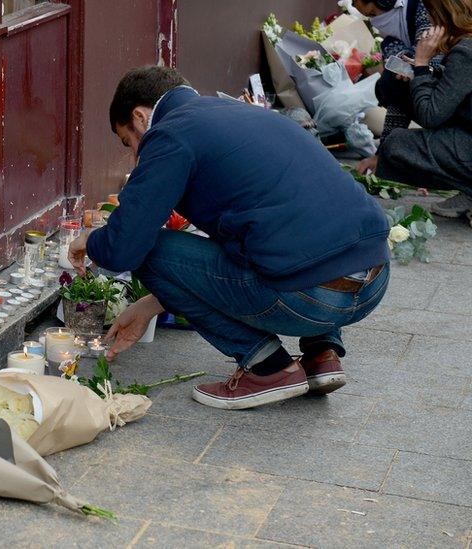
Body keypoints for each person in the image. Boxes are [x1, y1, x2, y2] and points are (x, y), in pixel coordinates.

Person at [68, 66, 390, 410]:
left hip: (310, 298)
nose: (135, 155)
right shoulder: (244, 114)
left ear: (140, 117)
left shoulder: (169, 134)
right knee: (298, 227)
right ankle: (321, 353)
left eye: (129, 141)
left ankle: (269, 368)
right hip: (373, 280)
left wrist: (93, 237)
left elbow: (123, 249)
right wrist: (152, 304)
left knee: (148, 251)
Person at [367, 0, 472, 223]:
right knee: (393, 85)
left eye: (431, 16)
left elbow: (430, 115)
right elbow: (458, 87)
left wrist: (423, 64)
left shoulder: (465, 51)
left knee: (396, 144)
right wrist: (424, 70)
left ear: (443, 16)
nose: (428, 23)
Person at [352, 0, 435, 143]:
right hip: (429, 104)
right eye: (370, 16)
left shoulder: (424, 8)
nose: (377, 20)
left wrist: (416, 65)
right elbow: (397, 92)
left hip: (456, 105)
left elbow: (431, 57)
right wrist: (385, 146)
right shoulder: (390, 43)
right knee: (385, 85)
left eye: (373, 13)